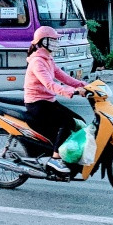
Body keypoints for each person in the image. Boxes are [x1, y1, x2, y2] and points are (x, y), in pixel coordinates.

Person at [24, 25, 86, 174]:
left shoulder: (48, 59)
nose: (55, 43)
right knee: (66, 122)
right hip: (37, 103)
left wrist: (86, 86)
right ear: (43, 42)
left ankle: (69, 157)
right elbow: (49, 84)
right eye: (52, 40)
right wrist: (73, 92)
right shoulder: (37, 62)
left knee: (79, 121)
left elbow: (63, 77)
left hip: (48, 101)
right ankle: (55, 159)